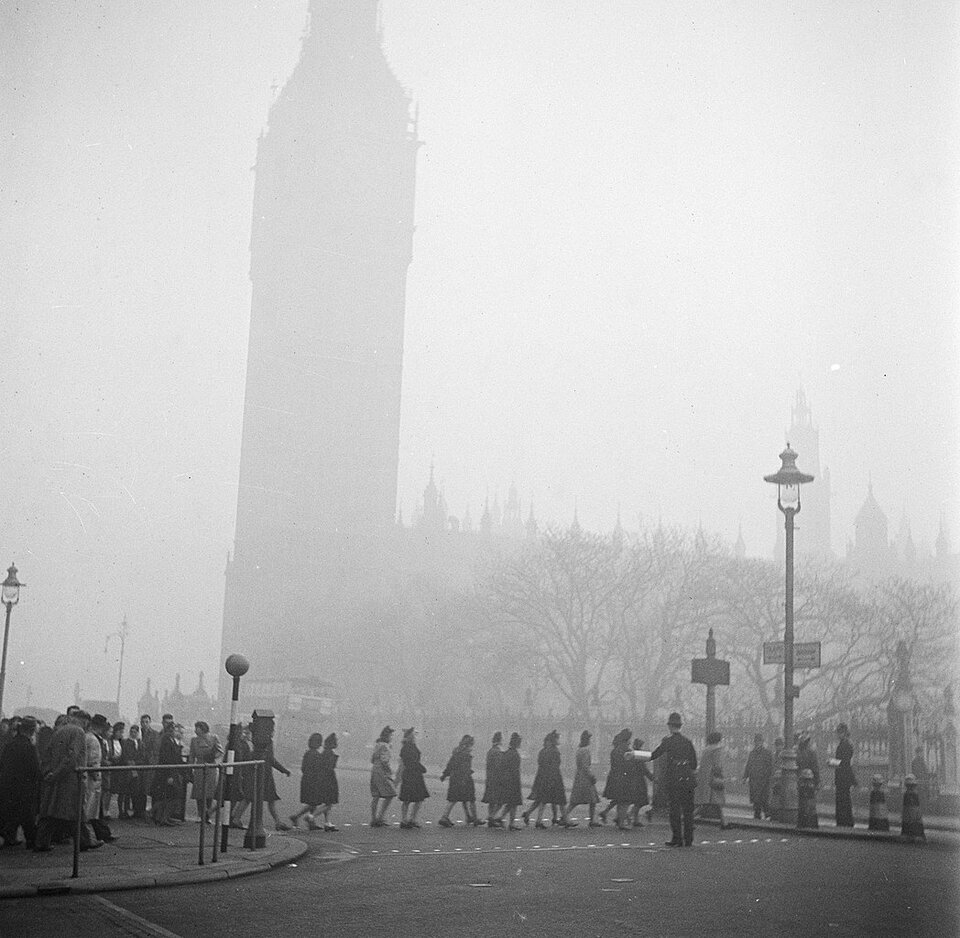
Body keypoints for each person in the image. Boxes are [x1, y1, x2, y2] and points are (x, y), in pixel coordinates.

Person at [35, 710, 98, 852]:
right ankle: (85, 841)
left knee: (51, 811)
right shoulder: (78, 732)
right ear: (83, 720)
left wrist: (50, 774)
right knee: (76, 812)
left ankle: (42, 842)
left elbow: (48, 754)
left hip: (57, 779)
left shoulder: (59, 731)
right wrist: (57, 774)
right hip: (71, 780)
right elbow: (72, 757)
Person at [649, 712, 698, 847]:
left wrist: (637, 754)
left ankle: (677, 838)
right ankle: (689, 838)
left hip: (674, 779)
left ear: (670, 726)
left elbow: (654, 754)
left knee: (675, 809)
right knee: (688, 810)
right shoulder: (688, 742)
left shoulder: (668, 741)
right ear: (680, 726)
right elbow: (694, 762)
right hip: (687, 778)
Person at [0, 716, 40, 849]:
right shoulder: (29, 746)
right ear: (32, 730)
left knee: (12, 812)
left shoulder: (10, 744)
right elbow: (35, 768)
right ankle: (31, 840)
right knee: (27, 815)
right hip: (25, 785)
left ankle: (9, 837)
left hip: (8, 784)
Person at [250, 713, 292, 831]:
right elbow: (271, 759)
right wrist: (284, 770)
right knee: (260, 798)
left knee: (259, 798)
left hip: (261, 771)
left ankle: (277, 822)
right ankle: (273, 823)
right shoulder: (267, 741)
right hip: (265, 773)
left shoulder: (260, 739)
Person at [523, 730, 568, 828]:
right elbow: (555, 765)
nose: (558, 740)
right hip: (554, 777)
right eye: (557, 738)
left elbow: (541, 763)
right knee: (558, 799)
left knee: (542, 799)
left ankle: (531, 815)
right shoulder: (554, 751)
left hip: (542, 777)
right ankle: (563, 819)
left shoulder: (543, 751)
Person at [439, 734, 480, 827]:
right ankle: (474, 818)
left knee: (455, 799)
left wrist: (445, 774)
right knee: (471, 798)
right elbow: (465, 768)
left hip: (454, 777)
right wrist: (465, 779)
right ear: (469, 744)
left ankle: (469, 816)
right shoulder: (466, 753)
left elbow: (450, 764)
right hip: (464, 778)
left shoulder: (456, 751)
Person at [86, 714, 116, 843]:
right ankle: (99, 835)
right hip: (94, 778)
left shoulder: (96, 738)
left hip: (96, 778)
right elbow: (94, 760)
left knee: (95, 808)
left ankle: (102, 833)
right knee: (92, 808)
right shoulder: (93, 739)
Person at [561, 730, 601, 828]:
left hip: (579, 776)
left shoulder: (579, 750)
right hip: (585, 778)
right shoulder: (586, 750)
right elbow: (585, 766)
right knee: (592, 799)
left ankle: (564, 816)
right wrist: (591, 776)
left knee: (576, 800)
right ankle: (591, 820)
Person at [189, 721, 223, 824]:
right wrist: (190, 768)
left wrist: (213, 757)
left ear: (202, 728)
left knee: (209, 792)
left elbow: (220, 751)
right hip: (199, 767)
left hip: (210, 767)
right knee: (199, 793)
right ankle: (200, 815)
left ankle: (207, 815)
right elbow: (192, 755)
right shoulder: (194, 740)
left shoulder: (213, 738)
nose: (195, 730)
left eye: (197, 728)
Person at [598, 728, 632, 829]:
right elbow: (628, 764)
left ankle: (618, 819)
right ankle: (621, 822)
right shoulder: (626, 750)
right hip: (623, 777)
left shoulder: (615, 750)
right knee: (625, 801)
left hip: (615, 776)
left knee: (619, 799)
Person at [152, 716, 183, 826]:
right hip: (167, 772)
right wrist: (170, 775)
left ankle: (163, 817)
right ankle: (162, 817)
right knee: (171, 796)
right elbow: (167, 758)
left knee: (169, 796)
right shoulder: (166, 740)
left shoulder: (172, 740)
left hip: (171, 771)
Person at [290, 732, 325, 830]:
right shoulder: (317, 755)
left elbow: (303, 768)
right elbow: (318, 769)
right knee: (313, 802)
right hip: (313, 781)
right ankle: (296, 816)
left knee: (312, 802)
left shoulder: (307, 753)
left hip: (306, 779)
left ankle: (311, 823)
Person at [398, 727, 429, 829]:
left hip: (413, 773)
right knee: (411, 799)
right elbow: (409, 762)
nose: (414, 737)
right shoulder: (407, 747)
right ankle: (407, 819)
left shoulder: (409, 746)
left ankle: (409, 819)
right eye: (413, 735)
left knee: (416, 799)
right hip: (412, 773)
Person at [491, 733, 524, 830]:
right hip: (513, 781)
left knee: (510, 803)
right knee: (513, 803)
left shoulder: (506, 753)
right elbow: (514, 769)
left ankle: (498, 817)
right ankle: (510, 823)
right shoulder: (514, 754)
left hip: (506, 780)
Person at [695, 731, 725, 825]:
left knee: (707, 801)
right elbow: (717, 765)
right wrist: (721, 776)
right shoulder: (717, 750)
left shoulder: (706, 749)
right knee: (716, 800)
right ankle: (723, 822)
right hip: (713, 778)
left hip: (704, 777)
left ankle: (723, 822)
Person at [369, 725, 397, 827]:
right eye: (391, 735)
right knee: (390, 793)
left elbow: (372, 759)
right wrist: (390, 772)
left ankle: (373, 818)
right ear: (388, 736)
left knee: (376, 795)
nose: (392, 737)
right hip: (382, 772)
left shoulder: (377, 745)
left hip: (374, 770)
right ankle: (380, 817)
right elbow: (385, 761)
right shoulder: (385, 746)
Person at [313, 733, 340, 831]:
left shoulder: (324, 752)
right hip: (329, 780)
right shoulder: (330, 754)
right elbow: (330, 767)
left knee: (327, 802)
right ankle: (312, 816)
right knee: (329, 803)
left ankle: (327, 822)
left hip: (323, 779)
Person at [743, 734, 774, 820]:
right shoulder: (752, 753)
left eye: (759, 741)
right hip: (754, 779)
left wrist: (769, 777)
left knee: (764, 798)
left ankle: (767, 814)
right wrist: (745, 776)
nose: (757, 743)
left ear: (762, 742)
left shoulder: (767, 753)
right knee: (756, 799)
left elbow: (770, 767)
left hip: (764, 779)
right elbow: (748, 765)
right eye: (756, 741)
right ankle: (757, 814)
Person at [229, 724, 254, 828]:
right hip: (240, 774)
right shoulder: (241, 744)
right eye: (245, 733)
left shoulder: (244, 744)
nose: (246, 735)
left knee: (235, 797)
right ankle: (234, 818)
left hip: (241, 774)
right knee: (244, 797)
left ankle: (233, 818)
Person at [626, 737, 654, 827]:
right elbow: (644, 769)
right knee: (640, 801)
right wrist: (652, 778)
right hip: (639, 781)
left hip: (633, 779)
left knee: (638, 801)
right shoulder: (639, 756)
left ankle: (635, 819)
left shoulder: (632, 755)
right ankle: (630, 815)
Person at [833, 723, 857, 828]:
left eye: (840, 732)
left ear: (845, 733)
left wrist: (832, 762)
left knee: (843, 799)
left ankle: (844, 821)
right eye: (838, 732)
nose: (838, 735)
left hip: (843, 776)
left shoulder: (845, 745)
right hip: (844, 776)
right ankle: (845, 821)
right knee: (844, 799)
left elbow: (844, 762)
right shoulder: (845, 743)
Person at [137, 714, 160, 818]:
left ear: (150, 722)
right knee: (139, 789)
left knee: (149, 788)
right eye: (143, 722)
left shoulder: (155, 734)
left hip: (149, 764)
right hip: (139, 764)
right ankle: (139, 811)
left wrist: (150, 761)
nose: (144, 724)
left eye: (146, 722)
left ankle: (150, 812)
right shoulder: (137, 733)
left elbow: (155, 750)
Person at [101, 721, 125, 820]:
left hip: (116, 767)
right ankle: (104, 811)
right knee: (106, 790)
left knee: (110, 790)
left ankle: (106, 810)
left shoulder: (122, 741)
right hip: (108, 767)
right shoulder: (107, 742)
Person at [481, 731, 504, 825]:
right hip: (497, 779)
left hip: (490, 778)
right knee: (500, 800)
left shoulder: (490, 751)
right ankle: (491, 817)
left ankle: (491, 816)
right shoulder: (497, 751)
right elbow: (499, 766)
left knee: (491, 800)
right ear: (500, 740)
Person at [119, 724, 141, 819]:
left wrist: (137, 762)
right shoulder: (126, 742)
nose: (133, 734)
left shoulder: (140, 743)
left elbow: (142, 756)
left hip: (137, 769)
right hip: (127, 770)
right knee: (126, 792)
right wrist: (129, 762)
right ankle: (124, 811)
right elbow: (124, 755)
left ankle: (134, 810)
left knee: (134, 791)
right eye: (131, 732)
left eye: (135, 732)